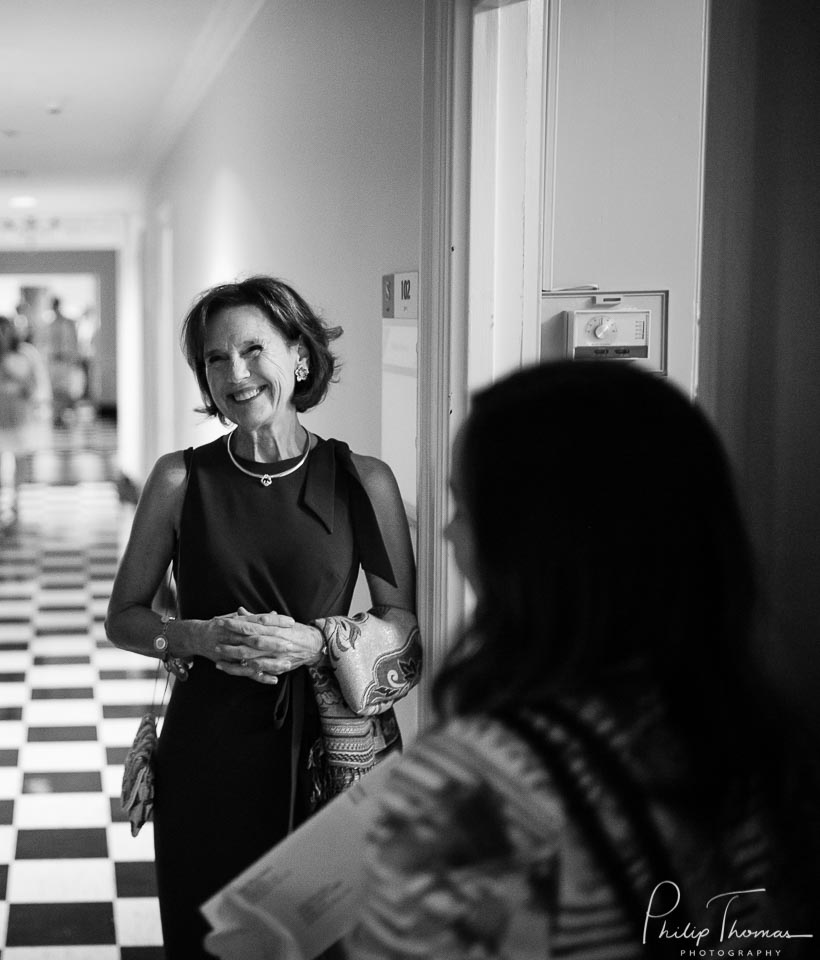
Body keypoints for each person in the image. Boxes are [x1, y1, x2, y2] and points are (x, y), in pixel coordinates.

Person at [344, 361, 820, 959]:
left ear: (537, 542)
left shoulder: (474, 783)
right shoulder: (762, 729)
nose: (445, 534)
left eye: (465, 506)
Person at [106, 276, 420, 958]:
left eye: (254, 349)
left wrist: (318, 643)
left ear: (301, 358)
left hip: (325, 759)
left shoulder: (361, 480)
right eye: (215, 359)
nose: (236, 373)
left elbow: (404, 633)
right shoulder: (178, 480)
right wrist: (192, 634)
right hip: (204, 755)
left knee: (323, 944)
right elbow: (124, 617)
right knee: (210, 943)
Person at [0, 315, 51, 525]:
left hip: (19, 416)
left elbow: (33, 385)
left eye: (5, 330)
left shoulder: (25, 355)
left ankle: (15, 500)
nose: (2, 335)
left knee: (18, 459)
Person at [44, 297, 85, 427]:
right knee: (56, 390)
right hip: (54, 361)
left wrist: (74, 358)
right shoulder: (50, 324)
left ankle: (66, 413)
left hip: (66, 361)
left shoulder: (68, 323)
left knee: (67, 389)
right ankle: (58, 414)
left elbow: (74, 342)